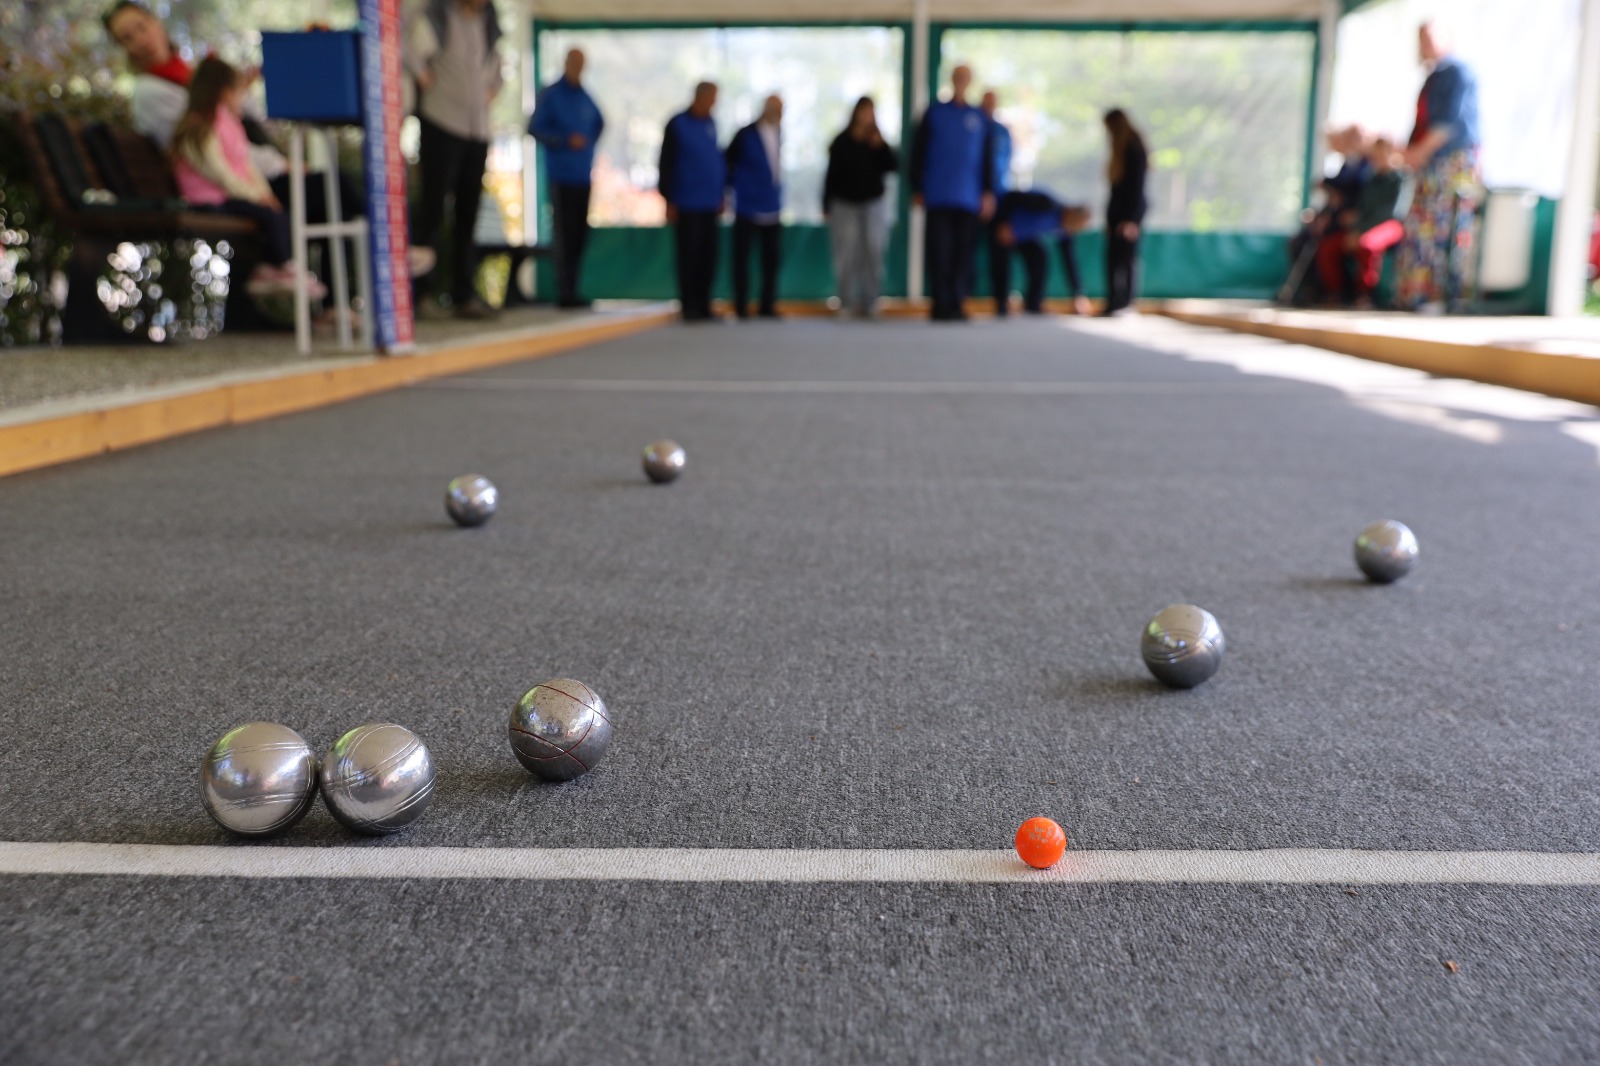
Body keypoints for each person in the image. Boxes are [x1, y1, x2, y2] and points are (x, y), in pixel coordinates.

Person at [102, 0, 364, 308]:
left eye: (141, 27)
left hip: (247, 179)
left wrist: (240, 91)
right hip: (222, 189)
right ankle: (374, 256)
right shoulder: (154, 94)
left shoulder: (191, 76)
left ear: (156, 23)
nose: (140, 39)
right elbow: (212, 154)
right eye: (127, 37)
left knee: (332, 200)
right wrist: (277, 170)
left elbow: (240, 133)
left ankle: (335, 305)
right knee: (331, 190)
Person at [168, 58, 321, 300]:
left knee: (277, 212)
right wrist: (255, 197)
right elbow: (221, 175)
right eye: (240, 92)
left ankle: (273, 268)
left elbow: (247, 167)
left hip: (230, 196)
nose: (242, 98)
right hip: (210, 200)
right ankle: (282, 265)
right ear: (225, 92)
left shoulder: (230, 124)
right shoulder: (199, 128)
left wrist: (265, 194)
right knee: (268, 215)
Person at [405, 0, 504, 320]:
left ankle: (464, 294)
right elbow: (410, 47)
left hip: (477, 129)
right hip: (442, 121)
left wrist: (493, 89)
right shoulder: (440, 16)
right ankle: (421, 293)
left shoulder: (488, 22)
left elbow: (497, 65)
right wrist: (422, 75)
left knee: (468, 213)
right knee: (433, 209)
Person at [1394, 20, 1482, 313]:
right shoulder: (1433, 77)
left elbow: (1447, 123)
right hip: (1429, 163)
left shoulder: (1457, 71)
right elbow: (1424, 123)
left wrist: (1418, 152)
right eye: (1422, 38)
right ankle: (1416, 295)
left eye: (1432, 37)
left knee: (1443, 226)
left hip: (1450, 162)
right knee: (1422, 226)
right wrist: (1409, 152)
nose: (1427, 43)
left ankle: (1441, 296)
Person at [911, 65, 994, 321]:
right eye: (958, 77)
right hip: (938, 195)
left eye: (965, 78)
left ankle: (958, 302)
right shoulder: (934, 112)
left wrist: (987, 192)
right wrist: (917, 187)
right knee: (939, 253)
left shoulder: (978, 117)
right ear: (952, 80)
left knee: (963, 254)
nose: (961, 81)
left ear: (970, 82)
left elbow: (987, 158)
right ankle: (940, 304)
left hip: (968, 197)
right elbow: (918, 151)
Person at [528, 48, 604, 309]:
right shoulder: (551, 94)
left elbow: (600, 123)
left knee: (579, 234)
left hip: (582, 175)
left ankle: (575, 288)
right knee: (563, 232)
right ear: (566, 63)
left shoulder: (585, 96)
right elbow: (534, 128)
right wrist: (563, 141)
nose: (578, 67)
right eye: (575, 62)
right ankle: (564, 291)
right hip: (560, 175)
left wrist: (588, 144)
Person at [823, 96, 899, 318]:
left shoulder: (877, 141)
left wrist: (880, 146)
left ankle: (871, 300)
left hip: (873, 204)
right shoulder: (842, 141)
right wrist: (826, 203)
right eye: (864, 111)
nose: (867, 116)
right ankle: (845, 300)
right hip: (844, 204)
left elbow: (894, 165)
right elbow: (831, 175)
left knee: (874, 250)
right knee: (846, 252)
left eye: (871, 112)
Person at [658, 82, 726, 323]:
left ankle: (705, 304)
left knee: (708, 256)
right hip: (686, 203)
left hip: (710, 203)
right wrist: (669, 199)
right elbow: (666, 162)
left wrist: (721, 195)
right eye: (712, 98)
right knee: (689, 256)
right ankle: (689, 306)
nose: (715, 103)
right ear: (701, 97)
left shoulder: (711, 124)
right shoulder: (678, 123)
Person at [1317, 136, 1410, 307]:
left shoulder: (1401, 178)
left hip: (1390, 226)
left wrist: (1361, 229)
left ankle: (1364, 294)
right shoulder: (1372, 179)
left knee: (1368, 244)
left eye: (1381, 154)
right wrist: (1355, 226)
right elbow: (1363, 207)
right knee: (1329, 246)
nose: (1377, 159)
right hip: (1363, 226)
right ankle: (1337, 293)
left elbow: (1392, 212)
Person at [725, 95, 784, 319]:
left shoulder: (779, 132)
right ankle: (741, 306)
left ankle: (767, 305)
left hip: (772, 205)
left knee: (771, 259)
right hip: (747, 206)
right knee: (742, 258)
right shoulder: (745, 134)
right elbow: (728, 162)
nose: (779, 113)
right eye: (775, 108)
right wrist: (733, 190)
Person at [992, 190, 1092, 316]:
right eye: (1075, 223)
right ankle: (1001, 304)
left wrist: (1078, 294)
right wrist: (1004, 223)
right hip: (1002, 224)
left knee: (1040, 255)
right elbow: (1012, 197)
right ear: (1070, 211)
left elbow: (1069, 261)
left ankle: (1033, 304)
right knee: (1002, 260)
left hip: (1022, 238)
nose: (1072, 229)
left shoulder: (1065, 230)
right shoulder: (1047, 204)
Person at [1101, 108, 1148, 317]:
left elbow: (1137, 188)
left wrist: (1132, 220)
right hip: (1117, 214)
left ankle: (1126, 303)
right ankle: (1114, 302)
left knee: (1126, 258)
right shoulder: (1119, 151)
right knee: (1113, 259)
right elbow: (1116, 191)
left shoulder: (1134, 149)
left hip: (1129, 214)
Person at [974, 90, 1014, 311]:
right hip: (972, 197)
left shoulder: (1003, 132)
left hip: (999, 197)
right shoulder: (973, 127)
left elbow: (1006, 163)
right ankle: (962, 297)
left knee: (1000, 248)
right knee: (966, 249)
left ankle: (1002, 300)